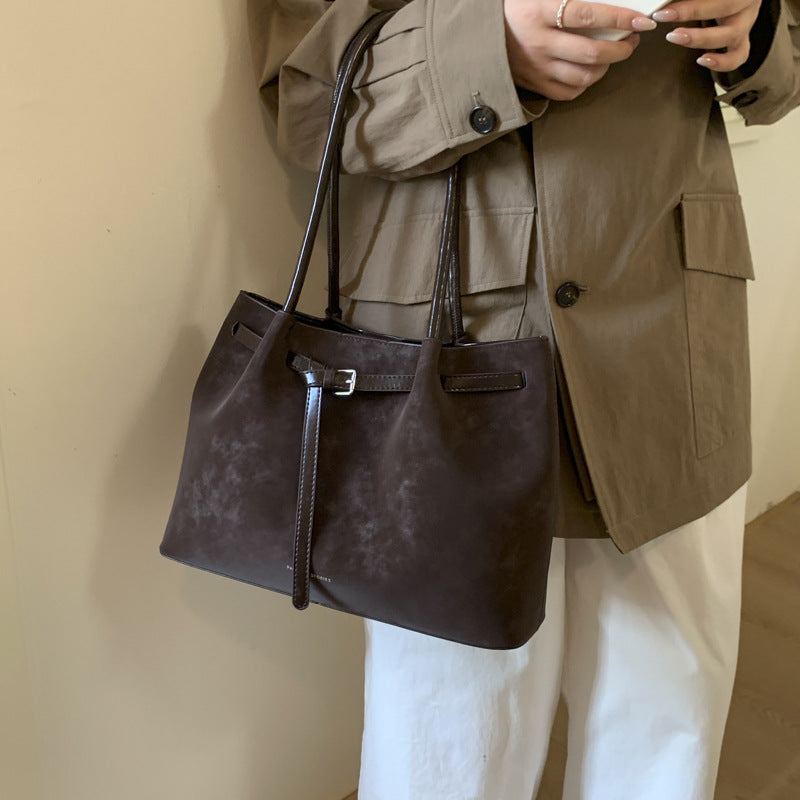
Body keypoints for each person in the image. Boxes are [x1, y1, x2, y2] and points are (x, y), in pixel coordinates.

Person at [247, 0, 800, 797]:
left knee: (668, 711)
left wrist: (757, 25)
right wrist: (489, 51)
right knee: (451, 735)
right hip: (450, 343)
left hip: (674, 319)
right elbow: (306, 101)